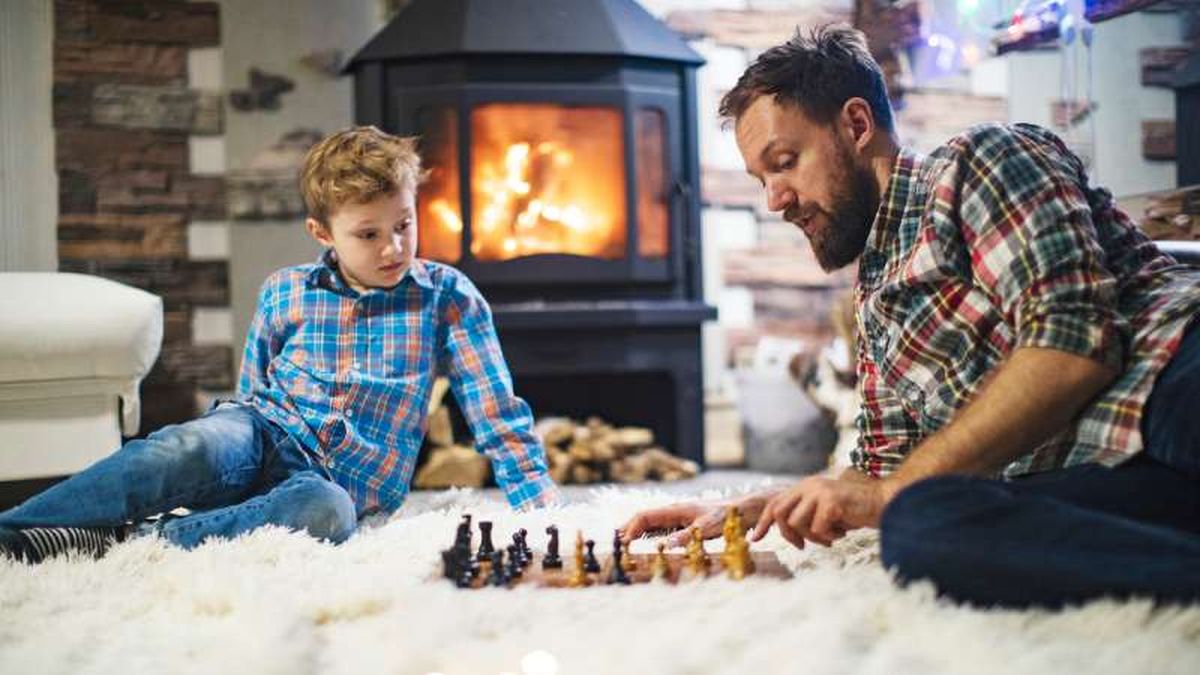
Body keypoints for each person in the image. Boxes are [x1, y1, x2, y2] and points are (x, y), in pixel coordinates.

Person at [622, 24, 1200, 608]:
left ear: (856, 125)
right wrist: (747, 510)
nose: (775, 199)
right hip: (1111, 471)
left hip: (1171, 377)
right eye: (762, 179)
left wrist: (888, 491)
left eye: (786, 162)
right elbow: (883, 473)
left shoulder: (978, 161)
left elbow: (1074, 344)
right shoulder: (875, 298)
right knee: (920, 524)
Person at [0, 126, 560, 563]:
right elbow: (252, 391)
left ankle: (128, 542)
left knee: (322, 514)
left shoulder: (447, 297)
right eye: (368, 234)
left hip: (338, 484)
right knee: (184, 448)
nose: (393, 248)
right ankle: (15, 532)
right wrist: (224, 449)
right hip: (262, 430)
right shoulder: (286, 290)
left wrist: (535, 501)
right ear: (323, 233)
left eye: (404, 225)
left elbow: (493, 406)